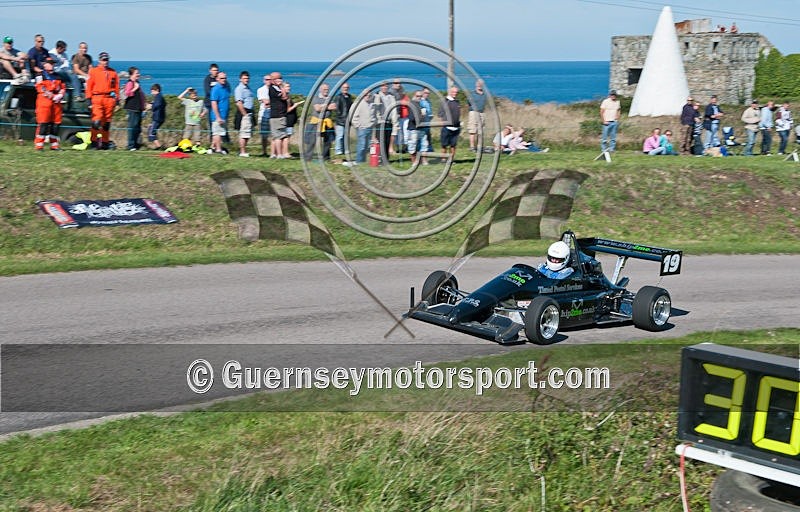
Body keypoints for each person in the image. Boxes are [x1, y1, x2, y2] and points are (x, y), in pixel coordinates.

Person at [85, 51, 119, 149]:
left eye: (107, 60)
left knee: (106, 123)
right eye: (103, 60)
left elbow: (116, 87)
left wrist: (116, 100)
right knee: (96, 121)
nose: (105, 62)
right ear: (99, 60)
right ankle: (94, 142)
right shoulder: (94, 71)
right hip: (97, 97)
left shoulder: (113, 72)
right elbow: (89, 86)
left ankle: (105, 143)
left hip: (109, 99)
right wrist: (88, 100)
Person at [33, 57, 65, 150]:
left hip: (56, 103)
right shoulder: (40, 75)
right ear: (45, 64)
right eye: (50, 63)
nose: (52, 65)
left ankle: (54, 145)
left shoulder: (58, 76)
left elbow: (63, 87)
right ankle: (39, 145)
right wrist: (51, 95)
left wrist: (60, 95)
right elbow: (40, 88)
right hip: (44, 102)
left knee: (56, 124)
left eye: (53, 63)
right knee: (43, 123)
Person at [304, 83, 336, 161]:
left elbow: (334, 107)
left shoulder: (330, 98)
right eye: (324, 89)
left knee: (328, 141)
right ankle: (308, 157)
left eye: (327, 89)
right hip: (316, 122)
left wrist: (322, 106)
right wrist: (327, 106)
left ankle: (326, 157)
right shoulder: (315, 98)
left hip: (327, 122)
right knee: (312, 141)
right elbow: (317, 109)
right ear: (320, 89)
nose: (326, 91)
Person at [122, 66, 146, 151]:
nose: (138, 74)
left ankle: (136, 144)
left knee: (137, 127)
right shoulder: (130, 83)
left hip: (138, 108)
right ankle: (131, 145)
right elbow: (127, 93)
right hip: (132, 108)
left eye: (138, 73)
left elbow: (141, 96)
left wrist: (144, 106)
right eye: (137, 73)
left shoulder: (137, 82)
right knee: (132, 127)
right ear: (131, 74)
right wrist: (135, 88)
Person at [268, 71, 291, 159]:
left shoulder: (275, 88)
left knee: (279, 135)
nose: (280, 80)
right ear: (273, 80)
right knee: (278, 136)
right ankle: (279, 154)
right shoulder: (273, 89)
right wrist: (282, 87)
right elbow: (284, 97)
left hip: (279, 115)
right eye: (278, 78)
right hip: (277, 115)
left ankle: (276, 154)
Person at [350, 90, 376, 164]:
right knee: (361, 146)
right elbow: (352, 115)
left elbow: (373, 116)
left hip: (370, 128)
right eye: (365, 95)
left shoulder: (371, 104)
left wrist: (373, 123)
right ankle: (359, 161)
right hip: (362, 128)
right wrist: (357, 125)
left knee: (367, 146)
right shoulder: (357, 104)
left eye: (369, 95)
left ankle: (363, 160)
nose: (367, 96)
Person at [210, 71, 231, 154]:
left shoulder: (226, 88)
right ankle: (218, 149)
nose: (224, 80)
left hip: (224, 115)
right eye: (222, 78)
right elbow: (214, 103)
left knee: (221, 132)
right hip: (217, 116)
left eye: (225, 78)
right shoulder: (216, 89)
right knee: (217, 133)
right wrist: (218, 116)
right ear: (217, 79)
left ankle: (213, 148)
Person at [373, 82, 396, 162]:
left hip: (389, 121)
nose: (384, 88)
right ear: (380, 87)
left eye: (386, 86)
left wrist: (395, 121)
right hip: (380, 122)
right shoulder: (377, 95)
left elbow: (394, 110)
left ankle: (386, 159)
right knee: (380, 141)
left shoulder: (391, 97)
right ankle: (379, 158)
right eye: (382, 86)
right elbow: (375, 107)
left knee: (387, 141)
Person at [233, 70, 254, 157]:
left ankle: (243, 150)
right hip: (244, 112)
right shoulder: (239, 89)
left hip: (249, 111)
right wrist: (244, 115)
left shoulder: (247, 88)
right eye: (244, 78)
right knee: (244, 133)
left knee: (247, 133)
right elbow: (239, 103)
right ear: (240, 79)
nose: (246, 80)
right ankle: (242, 151)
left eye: (247, 78)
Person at [438, 85, 461, 162]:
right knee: (444, 145)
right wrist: (443, 123)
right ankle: (443, 159)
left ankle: (451, 160)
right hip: (447, 127)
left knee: (453, 145)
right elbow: (440, 114)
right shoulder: (445, 101)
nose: (455, 93)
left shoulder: (457, 102)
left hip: (456, 127)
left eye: (456, 92)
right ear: (450, 92)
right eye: (453, 92)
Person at [334, 82, 353, 156]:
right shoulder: (338, 97)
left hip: (348, 120)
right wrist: (340, 116)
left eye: (347, 88)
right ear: (341, 88)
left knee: (346, 136)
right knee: (340, 136)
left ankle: (345, 149)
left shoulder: (349, 97)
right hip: (340, 120)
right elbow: (337, 108)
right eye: (344, 87)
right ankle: (338, 150)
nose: (346, 89)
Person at [468, 79, 487, 152]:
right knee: (472, 130)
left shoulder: (484, 94)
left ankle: (480, 146)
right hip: (474, 112)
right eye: (478, 83)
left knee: (481, 131)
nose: (479, 85)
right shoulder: (472, 94)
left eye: (481, 84)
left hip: (482, 113)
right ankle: (472, 147)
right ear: (476, 84)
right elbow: (469, 102)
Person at [203, 63, 219, 144]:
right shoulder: (207, 79)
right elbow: (208, 91)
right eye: (213, 70)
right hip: (209, 105)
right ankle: (211, 143)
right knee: (211, 124)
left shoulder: (219, 78)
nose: (215, 72)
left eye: (216, 70)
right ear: (210, 71)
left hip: (218, 105)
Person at [147, 83, 166, 149]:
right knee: (151, 129)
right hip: (158, 117)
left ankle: (159, 146)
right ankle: (158, 146)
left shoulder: (159, 97)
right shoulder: (159, 97)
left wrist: (151, 106)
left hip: (157, 118)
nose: (151, 93)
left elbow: (157, 105)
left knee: (151, 132)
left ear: (157, 90)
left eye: (152, 91)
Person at [256, 74, 271, 156]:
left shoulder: (274, 89)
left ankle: (273, 152)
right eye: (267, 79)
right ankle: (264, 151)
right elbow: (265, 102)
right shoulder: (260, 90)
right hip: (263, 114)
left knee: (273, 134)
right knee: (264, 135)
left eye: (270, 79)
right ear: (264, 80)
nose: (268, 81)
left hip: (273, 114)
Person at [418, 87, 433, 154]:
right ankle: (420, 150)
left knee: (427, 135)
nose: (427, 94)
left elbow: (429, 111)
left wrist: (430, 115)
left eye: (428, 93)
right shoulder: (420, 101)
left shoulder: (428, 101)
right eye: (425, 93)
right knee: (421, 137)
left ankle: (428, 149)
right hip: (422, 122)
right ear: (422, 92)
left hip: (428, 121)